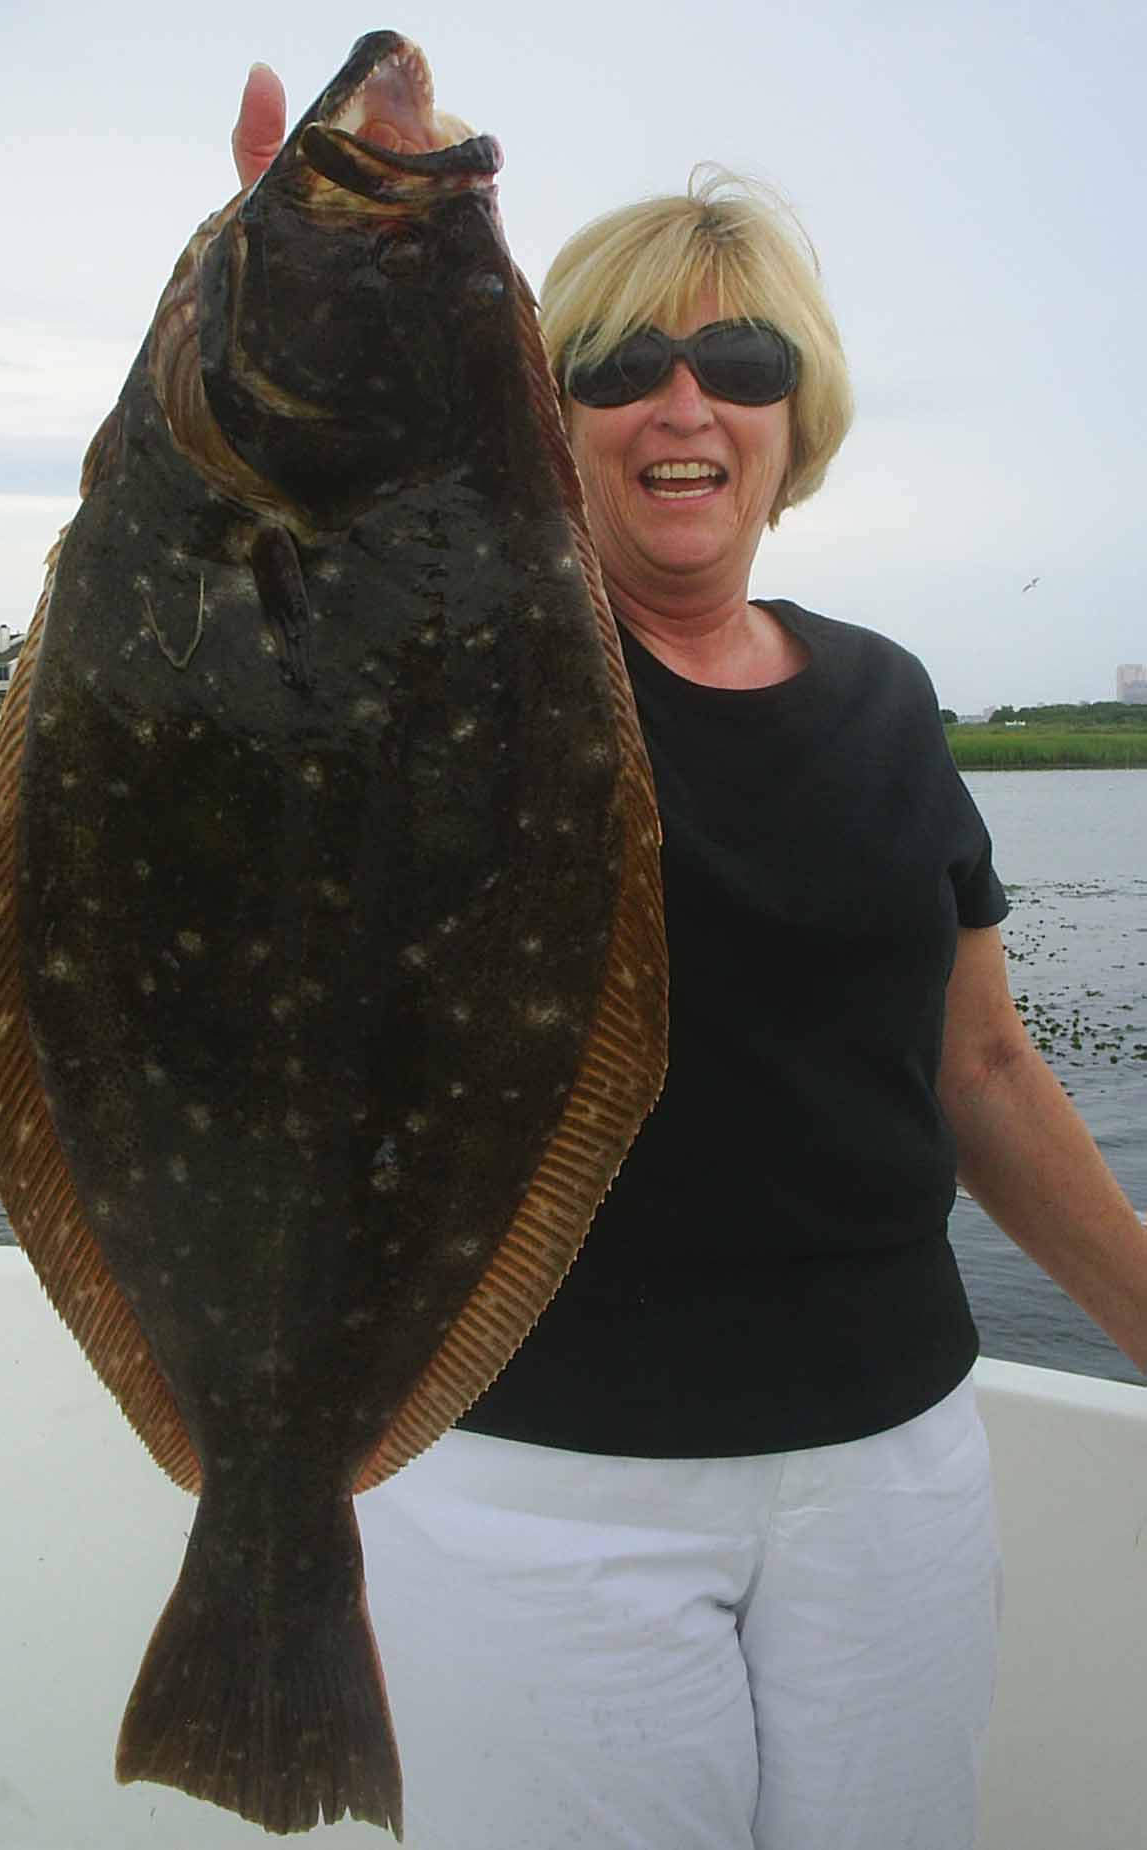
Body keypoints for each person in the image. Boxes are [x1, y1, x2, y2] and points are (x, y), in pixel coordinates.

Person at [231, 68, 1147, 1850]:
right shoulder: (452, 673)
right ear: (538, 408)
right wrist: (319, 308)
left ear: (798, 423)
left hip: (889, 1462)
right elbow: (283, 580)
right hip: (532, 1480)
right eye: (619, 365)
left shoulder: (885, 695)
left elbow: (977, 1069)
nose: (685, 406)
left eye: (742, 370)